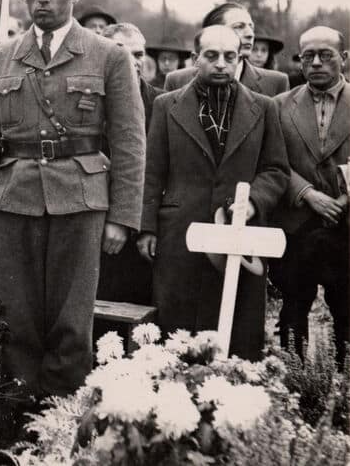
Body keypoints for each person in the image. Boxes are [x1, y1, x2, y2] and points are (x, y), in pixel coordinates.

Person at [0, 0, 146, 398]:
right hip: (13, 201)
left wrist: (122, 217)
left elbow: (128, 143)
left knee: (72, 321)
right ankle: (17, 418)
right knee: (14, 316)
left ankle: (62, 420)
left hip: (81, 202)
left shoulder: (108, 57)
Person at [138, 25, 289, 361]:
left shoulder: (264, 108)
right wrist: (147, 228)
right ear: (195, 59)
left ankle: (231, 402)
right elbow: (152, 171)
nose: (221, 64)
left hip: (239, 235)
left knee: (238, 332)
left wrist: (253, 201)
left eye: (229, 57)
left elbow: (277, 170)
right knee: (178, 333)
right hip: (181, 235)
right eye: (211, 56)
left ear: (239, 60)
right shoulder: (167, 106)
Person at [271, 26, 349, 367]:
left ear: (344, 59)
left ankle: (343, 387)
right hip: (296, 224)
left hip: (345, 226)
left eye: (326, 55)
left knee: (347, 309)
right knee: (293, 309)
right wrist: (307, 194)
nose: (316, 63)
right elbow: (271, 161)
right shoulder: (278, 106)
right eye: (308, 56)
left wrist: (343, 201)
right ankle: (292, 382)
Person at [96, 22, 161, 305]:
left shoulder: (163, 105)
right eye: (123, 53)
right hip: (93, 225)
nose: (133, 62)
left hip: (141, 233)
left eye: (139, 54)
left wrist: (147, 227)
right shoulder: (86, 102)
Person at [164, 3, 289, 97]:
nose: (250, 34)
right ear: (213, 32)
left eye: (251, 27)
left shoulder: (276, 83)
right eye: (239, 27)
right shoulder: (177, 81)